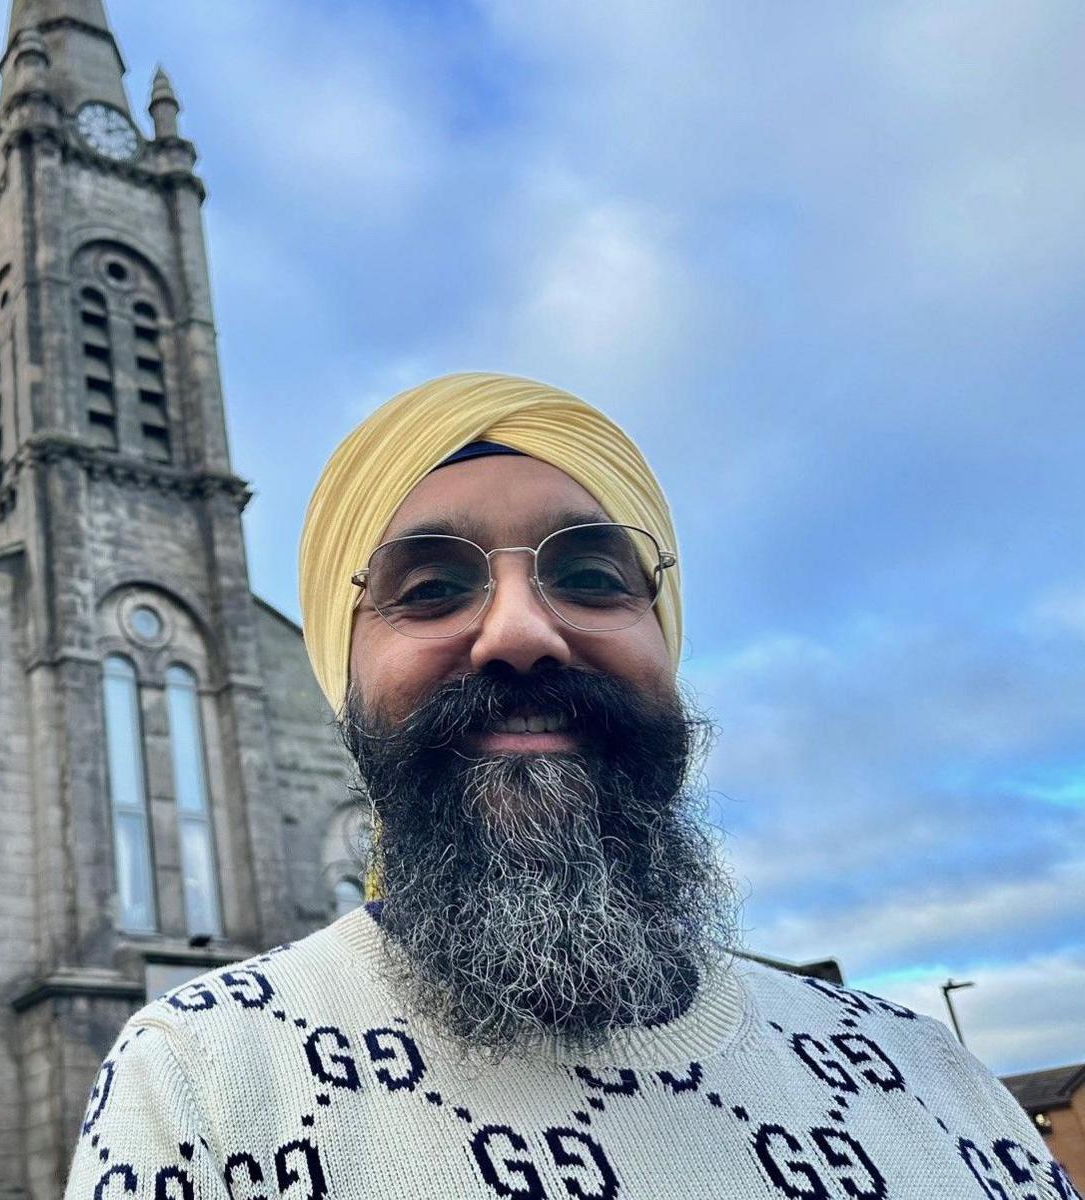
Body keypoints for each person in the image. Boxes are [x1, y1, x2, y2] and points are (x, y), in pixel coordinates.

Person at [64, 374, 1077, 1198]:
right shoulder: (195, 1090)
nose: (519, 633)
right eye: (429, 589)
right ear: (345, 683)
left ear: (664, 635)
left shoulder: (942, 1084)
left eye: (591, 577)